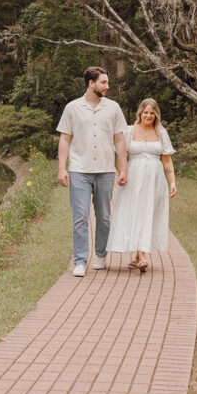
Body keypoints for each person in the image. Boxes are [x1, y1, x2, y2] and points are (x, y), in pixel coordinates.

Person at [56, 66, 128, 277]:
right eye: (103, 82)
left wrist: (123, 168)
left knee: (104, 217)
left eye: (107, 82)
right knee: (80, 218)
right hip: (79, 169)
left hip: (105, 170)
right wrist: (62, 168)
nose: (107, 86)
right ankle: (79, 260)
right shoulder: (72, 108)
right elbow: (65, 138)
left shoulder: (113, 108)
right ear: (91, 83)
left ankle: (101, 255)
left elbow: (120, 140)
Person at [106, 98, 176, 272]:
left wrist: (172, 182)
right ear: (140, 113)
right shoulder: (129, 131)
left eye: (152, 113)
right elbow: (120, 155)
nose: (149, 116)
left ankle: (139, 255)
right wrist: (122, 173)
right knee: (135, 212)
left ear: (156, 115)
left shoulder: (161, 132)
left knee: (148, 213)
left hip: (155, 179)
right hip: (134, 178)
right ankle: (140, 255)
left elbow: (167, 160)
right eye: (146, 112)